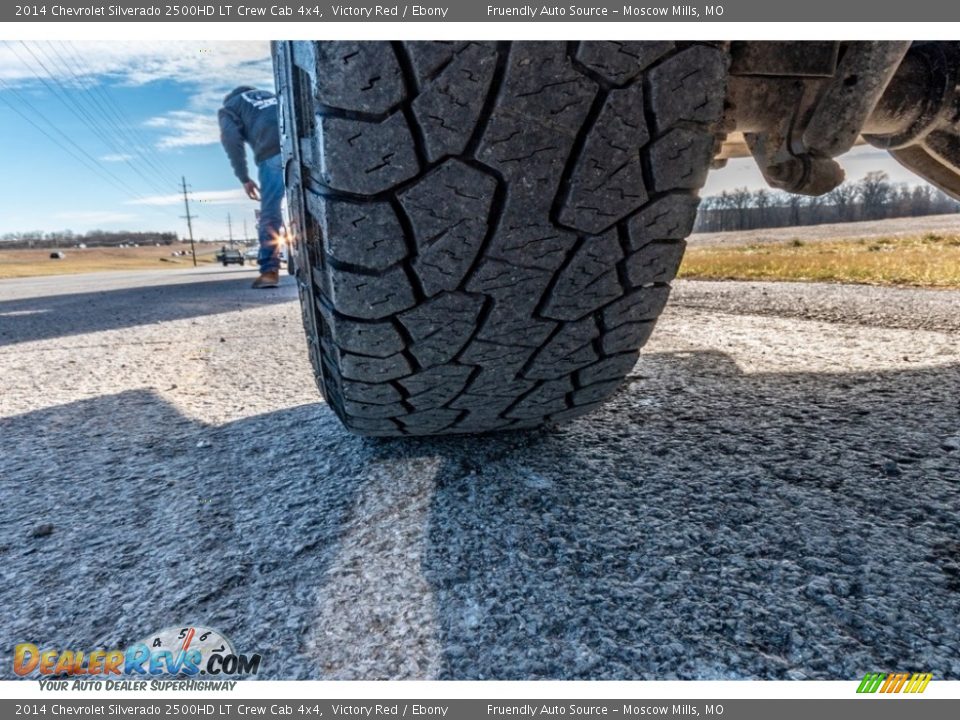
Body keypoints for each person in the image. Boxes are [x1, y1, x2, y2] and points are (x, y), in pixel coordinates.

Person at [218, 86, 283, 289]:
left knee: (270, 213)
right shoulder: (271, 95)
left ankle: (269, 272)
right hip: (304, 141)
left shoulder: (230, 107)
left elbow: (231, 139)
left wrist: (244, 177)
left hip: (272, 153)